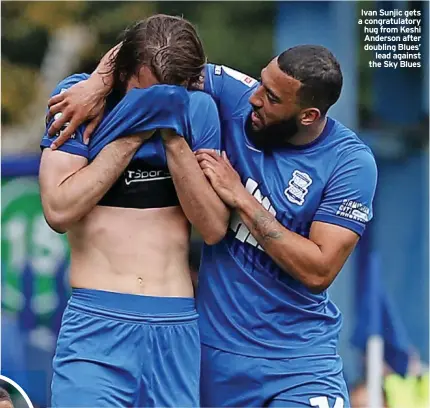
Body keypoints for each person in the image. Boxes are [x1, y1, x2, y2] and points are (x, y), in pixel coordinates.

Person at [48, 44, 377, 407]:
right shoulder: (232, 91)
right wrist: (97, 82)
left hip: (298, 363)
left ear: (308, 115)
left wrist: (242, 199)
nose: (254, 98)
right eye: (260, 82)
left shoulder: (350, 164)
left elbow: (319, 270)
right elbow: (156, 43)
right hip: (213, 358)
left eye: (271, 97)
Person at [39, 15, 228, 408]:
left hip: (174, 326)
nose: (155, 102)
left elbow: (211, 228)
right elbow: (58, 210)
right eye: (145, 92)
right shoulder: (78, 99)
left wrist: (173, 136)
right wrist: (137, 128)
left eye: (168, 95)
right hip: (97, 324)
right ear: (122, 74)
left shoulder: (199, 111)